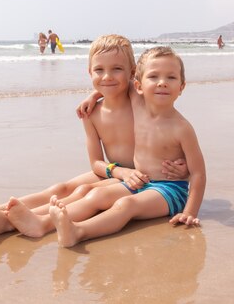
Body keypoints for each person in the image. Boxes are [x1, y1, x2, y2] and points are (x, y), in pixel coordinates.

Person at [0, 35, 188, 235]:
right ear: (89, 72)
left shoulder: (139, 101)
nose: (107, 77)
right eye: (99, 70)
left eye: (117, 69)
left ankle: (9, 223)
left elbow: (167, 126)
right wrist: (118, 170)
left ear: (132, 74)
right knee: (62, 187)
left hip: (139, 177)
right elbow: (95, 163)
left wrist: (180, 168)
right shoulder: (92, 113)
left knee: (83, 193)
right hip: (115, 171)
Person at [49, 46, 206, 247]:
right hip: (141, 182)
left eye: (171, 78)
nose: (162, 83)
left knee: (126, 205)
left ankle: (79, 232)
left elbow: (198, 173)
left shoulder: (182, 128)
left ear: (182, 87)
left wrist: (189, 213)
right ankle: (51, 222)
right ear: (139, 86)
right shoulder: (138, 107)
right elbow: (114, 83)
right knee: (98, 195)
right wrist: (93, 96)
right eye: (154, 76)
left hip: (170, 190)